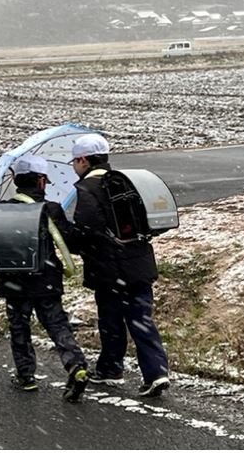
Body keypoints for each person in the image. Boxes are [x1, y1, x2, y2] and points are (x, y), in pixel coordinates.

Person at [69, 133, 170, 397]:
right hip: (140, 264)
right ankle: (156, 372)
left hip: (109, 269)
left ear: (82, 160)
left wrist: (67, 235)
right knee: (141, 319)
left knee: (111, 320)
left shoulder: (87, 189)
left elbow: (87, 231)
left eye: (74, 161)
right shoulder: (126, 182)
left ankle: (111, 368)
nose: (73, 167)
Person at [0, 155, 89, 402]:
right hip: (46, 279)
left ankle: (26, 376)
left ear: (16, 180)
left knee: (19, 327)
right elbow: (70, 240)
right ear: (40, 181)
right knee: (57, 324)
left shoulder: (3, 209)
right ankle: (75, 365)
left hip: (13, 283)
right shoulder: (51, 210)